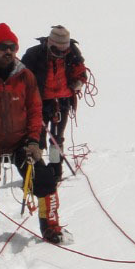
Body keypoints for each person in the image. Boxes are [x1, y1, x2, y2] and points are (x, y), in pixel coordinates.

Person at [0, 23, 65, 246]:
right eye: (2, 47)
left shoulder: (25, 77)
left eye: (12, 47)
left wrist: (33, 141)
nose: (8, 51)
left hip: (21, 143)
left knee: (45, 180)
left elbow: (35, 111)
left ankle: (51, 228)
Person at [19, 25, 87, 180]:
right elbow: (21, 78)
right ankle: (39, 170)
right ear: (50, 43)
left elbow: (81, 71)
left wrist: (79, 82)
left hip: (62, 102)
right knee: (37, 138)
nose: (62, 54)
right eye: (58, 50)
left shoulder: (73, 53)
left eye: (65, 50)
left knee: (57, 139)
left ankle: (56, 171)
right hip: (38, 103)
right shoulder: (34, 54)